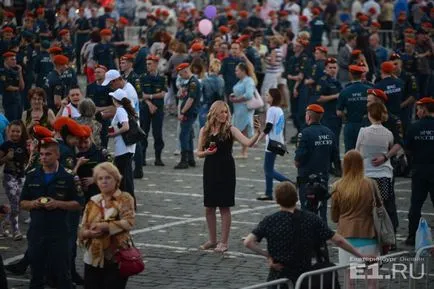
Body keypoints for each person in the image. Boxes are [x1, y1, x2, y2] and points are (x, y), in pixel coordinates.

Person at [244, 181, 376, 288]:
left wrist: (268, 255)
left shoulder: (270, 220)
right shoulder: (311, 218)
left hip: (278, 277)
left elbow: (248, 242)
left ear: (277, 200)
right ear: (296, 198)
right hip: (304, 277)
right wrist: (361, 256)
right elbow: (338, 240)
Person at [197, 101, 261, 253]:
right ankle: (212, 240)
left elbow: (248, 142)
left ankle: (224, 242)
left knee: (224, 207)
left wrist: (258, 133)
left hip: (226, 170)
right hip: (210, 169)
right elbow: (199, 152)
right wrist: (206, 153)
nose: (224, 115)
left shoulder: (230, 129)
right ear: (214, 113)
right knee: (209, 207)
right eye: (222, 112)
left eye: (226, 112)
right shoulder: (204, 130)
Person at [20, 137, 83, 289]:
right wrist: (33, 204)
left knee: (62, 274)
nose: (43, 158)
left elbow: (79, 203)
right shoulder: (32, 175)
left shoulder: (69, 177)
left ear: (57, 155)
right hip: (37, 231)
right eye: (41, 154)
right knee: (36, 275)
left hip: (59, 232)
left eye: (47, 154)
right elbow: (22, 202)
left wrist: (58, 204)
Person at [78, 162, 134, 289]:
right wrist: (87, 233)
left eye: (108, 178)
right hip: (93, 257)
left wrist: (105, 227)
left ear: (116, 180)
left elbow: (129, 222)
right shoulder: (93, 201)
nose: (104, 181)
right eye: (100, 178)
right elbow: (82, 228)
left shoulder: (124, 198)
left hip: (115, 257)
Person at [331, 150, 380, 289]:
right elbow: (379, 208)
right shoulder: (371, 184)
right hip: (368, 235)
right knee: (371, 280)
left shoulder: (337, 186)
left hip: (346, 238)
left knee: (349, 281)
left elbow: (334, 217)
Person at [357, 99, 399, 239]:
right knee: (384, 206)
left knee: (365, 206)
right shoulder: (388, 133)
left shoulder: (363, 131)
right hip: (384, 174)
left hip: (367, 173)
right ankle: (386, 234)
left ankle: (368, 233)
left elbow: (357, 152)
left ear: (370, 115)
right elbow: (390, 147)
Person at [295, 104, 339, 222]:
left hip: (307, 178)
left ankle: (308, 236)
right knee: (322, 209)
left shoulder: (304, 133)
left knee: (307, 209)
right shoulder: (329, 132)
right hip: (323, 177)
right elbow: (335, 156)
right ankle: (322, 234)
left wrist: (297, 163)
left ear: (308, 117)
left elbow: (299, 157)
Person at [404, 97, 434, 246]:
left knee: (416, 204)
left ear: (424, 109)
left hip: (419, 169)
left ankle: (411, 235)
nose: (417, 112)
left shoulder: (414, 127)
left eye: (418, 109)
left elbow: (407, 148)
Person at [257, 89, 291, 201]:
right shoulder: (279, 110)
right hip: (278, 141)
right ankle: (268, 193)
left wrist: (258, 138)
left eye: (268, 95)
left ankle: (289, 183)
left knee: (268, 169)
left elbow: (268, 127)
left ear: (272, 98)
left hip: (272, 143)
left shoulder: (271, 110)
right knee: (269, 168)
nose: (266, 97)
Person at [0, 120, 29, 240]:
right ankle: (16, 230)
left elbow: (29, 160)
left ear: (21, 133)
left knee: (19, 203)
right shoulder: (5, 145)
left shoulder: (24, 145)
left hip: (21, 177)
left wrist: (30, 151)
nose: (15, 134)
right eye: (13, 131)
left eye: (18, 131)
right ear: (8, 131)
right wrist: (6, 157)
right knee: (14, 203)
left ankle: (3, 224)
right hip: (9, 177)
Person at [107, 89, 136, 204]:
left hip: (122, 148)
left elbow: (125, 127)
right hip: (126, 147)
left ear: (115, 100)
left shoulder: (120, 110)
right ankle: (129, 201)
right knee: (126, 176)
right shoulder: (125, 109)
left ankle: (127, 202)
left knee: (124, 177)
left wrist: (113, 134)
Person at [140, 54, 167, 167]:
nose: (148, 66)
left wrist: (149, 96)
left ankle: (158, 158)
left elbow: (163, 94)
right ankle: (142, 157)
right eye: (147, 64)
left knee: (158, 134)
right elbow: (141, 94)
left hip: (158, 109)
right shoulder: (142, 77)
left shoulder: (162, 78)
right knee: (143, 133)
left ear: (156, 64)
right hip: (146, 108)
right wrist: (149, 103)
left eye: (150, 64)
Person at [337, 64, 371, 152]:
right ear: (361, 75)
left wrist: (346, 116)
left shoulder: (345, 91)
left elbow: (339, 112)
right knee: (365, 151)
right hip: (366, 124)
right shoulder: (369, 89)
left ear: (350, 75)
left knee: (350, 151)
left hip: (351, 124)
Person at [174, 63, 201, 169]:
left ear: (185, 71)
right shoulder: (191, 82)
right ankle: (190, 159)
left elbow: (191, 99)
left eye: (181, 74)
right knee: (189, 136)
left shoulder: (193, 83)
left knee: (183, 136)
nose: (181, 77)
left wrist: (182, 112)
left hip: (189, 113)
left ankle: (184, 160)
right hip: (190, 112)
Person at [229, 62, 256, 159]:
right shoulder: (240, 81)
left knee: (242, 130)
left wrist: (237, 99)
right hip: (238, 109)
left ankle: (244, 152)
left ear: (243, 71)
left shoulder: (248, 81)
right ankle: (239, 151)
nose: (235, 72)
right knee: (235, 129)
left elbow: (249, 94)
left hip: (244, 108)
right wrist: (233, 96)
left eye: (237, 70)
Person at [200, 59, 225, 128]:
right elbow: (222, 94)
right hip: (218, 106)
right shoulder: (222, 80)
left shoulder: (205, 80)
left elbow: (201, 94)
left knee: (204, 127)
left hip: (206, 105)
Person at [0, 51, 24, 121]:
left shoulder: (14, 71)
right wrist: (18, 88)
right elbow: (7, 87)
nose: (15, 61)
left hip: (18, 100)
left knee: (19, 121)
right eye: (12, 59)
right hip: (9, 101)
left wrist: (20, 72)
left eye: (15, 59)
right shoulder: (2, 71)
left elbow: (22, 87)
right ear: (6, 60)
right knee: (11, 122)